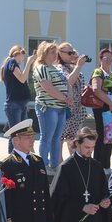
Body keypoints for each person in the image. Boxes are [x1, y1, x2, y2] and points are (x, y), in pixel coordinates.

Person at [32, 41, 73, 173]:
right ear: (44, 53)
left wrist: (69, 97)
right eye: (52, 52)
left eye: (56, 52)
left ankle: (55, 165)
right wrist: (64, 98)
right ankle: (43, 165)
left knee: (57, 138)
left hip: (61, 107)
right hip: (48, 107)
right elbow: (48, 87)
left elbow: (67, 84)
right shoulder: (41, 68)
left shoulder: (55, 68)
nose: (56, 54)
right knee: (47, 137)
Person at [90, 48, 112, 171]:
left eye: (111, 59)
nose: (109, 61)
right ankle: (98, 165)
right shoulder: (98, 72)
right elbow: (96, 89)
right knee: (101, 136)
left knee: (110, 137)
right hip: (102, 107)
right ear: (100, 59)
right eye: (106, 58)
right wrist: (110, 103)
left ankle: (106, 165)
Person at [0, 45, 36, 153]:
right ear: (17, 54)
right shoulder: (12, 62)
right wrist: (29, 63)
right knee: (15, 134)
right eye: (22, 58)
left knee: (23, 132)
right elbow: (22, 78)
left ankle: (22, 155)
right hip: (14, 105)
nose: (22, 61)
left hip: (20, 104)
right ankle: (12, 158)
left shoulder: (12, 63)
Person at [56, 42, 89, 160]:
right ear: (60, 54)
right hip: (65, 108)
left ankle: (74, 162)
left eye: (73, 52)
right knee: (61, 137)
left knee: (74, 138)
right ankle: (58, 162)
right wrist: (78, 66)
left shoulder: (73, 67)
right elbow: (69, 81)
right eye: (69, 53)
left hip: (77, 108)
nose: (72, 55)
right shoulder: (59, 68)